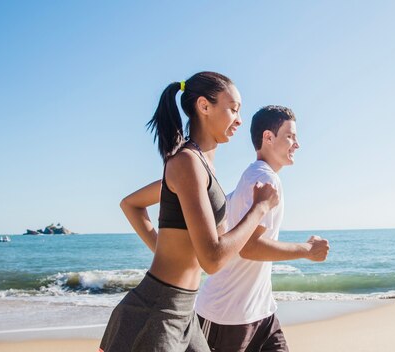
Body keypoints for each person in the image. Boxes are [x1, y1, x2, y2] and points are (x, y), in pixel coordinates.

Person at [99, 72, 279, 352]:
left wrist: (167, 251)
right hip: (156, 313)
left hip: (184, 311)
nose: (239, 120)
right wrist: (259, 208)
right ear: (204, 106)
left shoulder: (201, 168)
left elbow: (132, 204)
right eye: (233, 109)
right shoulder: (186, 162)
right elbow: (213, 259)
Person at [195, 105, 330, 352]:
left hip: (261, 312)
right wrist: (307, 249)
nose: (296, 144)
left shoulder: (254, 176)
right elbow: (250, 248)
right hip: (227, 316)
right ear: (268, 137)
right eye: (290, 136)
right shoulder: (264, 179)